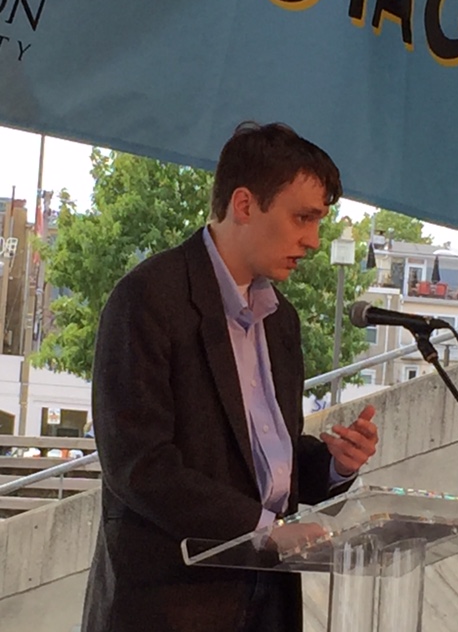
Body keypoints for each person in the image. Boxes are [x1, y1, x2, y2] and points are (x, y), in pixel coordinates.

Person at [81, 122, 379, 632]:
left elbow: (263, 460)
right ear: (244, 204)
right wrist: (264, 530)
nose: (313, 241)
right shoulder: (148, 298)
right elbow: (139, 466)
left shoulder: (281, 319)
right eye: (302, 218)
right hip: (169, 608)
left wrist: (333, 465)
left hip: (268, 603)